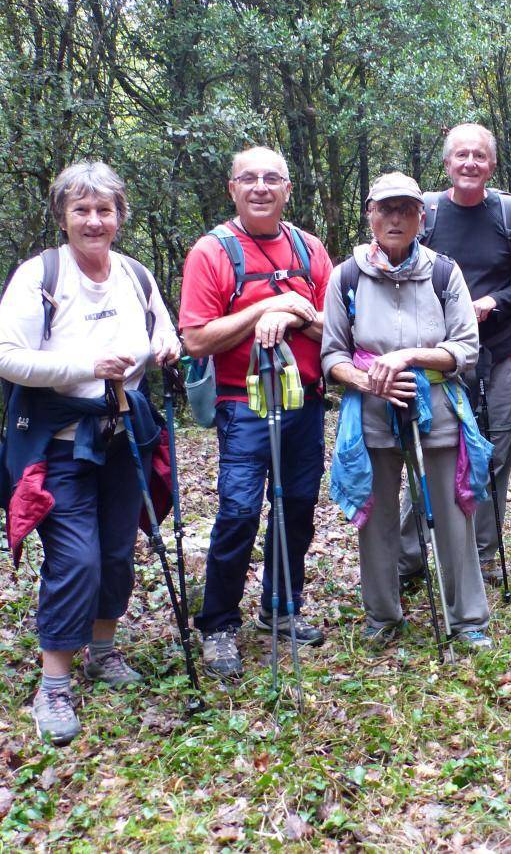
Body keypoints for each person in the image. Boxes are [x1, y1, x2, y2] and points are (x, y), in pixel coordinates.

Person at [0, 161, 180, 745]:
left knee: (118, 551)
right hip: (61, 445)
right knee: (77, 559)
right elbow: (4, 356)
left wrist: (165, 347)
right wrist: (84, 368)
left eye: (104, 210)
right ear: (63, 216)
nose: (94, 220)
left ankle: (103, 650)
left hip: (124, 440)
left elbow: (161, 333)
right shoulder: (39, 276)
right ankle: (54, 685)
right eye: (81, 210)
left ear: (120, 215)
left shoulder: (136, 276)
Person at [179, 146, 333, 678]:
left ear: (288, 189)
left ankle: (280, 608)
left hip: (304, 401)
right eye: (249, 179)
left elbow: (335, 330)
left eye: (273, 179)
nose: (261, 188)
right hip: (241, 404)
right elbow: (197, 338)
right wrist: (266, 307)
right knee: (240, 510)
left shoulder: (309, 248)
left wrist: (292, 310)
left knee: (297, 506)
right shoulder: (212, 251)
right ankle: (219, 623)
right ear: (233, 189)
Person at [322, 171, 492, 649]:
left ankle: (467, 620)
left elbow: (465, 348)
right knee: (376, 519)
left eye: (405, 210)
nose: (395, 219)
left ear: (421, 216)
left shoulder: (443, 272)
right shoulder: (347, 275)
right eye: (386, 209)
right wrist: (364, 378)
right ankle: (382, 614)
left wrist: (410, 357)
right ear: (370, 214)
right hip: (371, 415)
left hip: (436, 407)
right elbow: (332, 354)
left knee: (453, 510)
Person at [399, 123, 511, 585]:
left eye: (479, 156)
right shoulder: (429, 215)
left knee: (495, 450)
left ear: (492, 165)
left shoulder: (509, 213)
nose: (470, 163)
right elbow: (408, 276)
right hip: (440, 359)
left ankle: (483, 554)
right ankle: (410, 558)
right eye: (461, 155)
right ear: (447, 164)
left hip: (499, 351)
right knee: (431, 449)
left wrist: (494, 302)